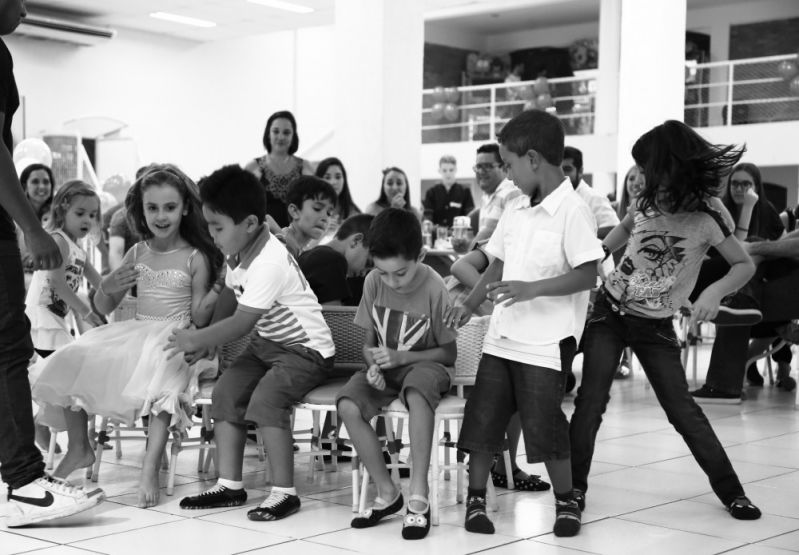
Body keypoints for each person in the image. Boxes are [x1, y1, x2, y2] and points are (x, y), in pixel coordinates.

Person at [569, 120, 761, 522]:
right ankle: (573, 490)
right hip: (610, 310)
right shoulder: (647, 196)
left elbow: (742, 265)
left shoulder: (710, 211)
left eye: (646, 166)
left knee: (682, 410)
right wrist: (601, 250)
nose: (639, 176)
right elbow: (626, 227)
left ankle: (732, 492)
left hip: (655, 325)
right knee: (590, 402)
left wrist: (712, 292)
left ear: (670, 165)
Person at [445, 109, 603, 538]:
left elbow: (588, 275)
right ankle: (477, 500)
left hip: (547, 342)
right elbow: (496, 264)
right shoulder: (515, 206)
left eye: (510, 164)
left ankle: (567, 502)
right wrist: (469, 302)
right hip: (502, 336)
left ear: (533, 159)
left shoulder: (573, 210)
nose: (507, 175)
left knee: (545, 424)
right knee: (484, 417)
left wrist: (532, 289)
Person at [31, 164, 224, 508]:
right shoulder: (138, 252)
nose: (160, 216)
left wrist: (218, 288)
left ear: (184, 209)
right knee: (75, 357)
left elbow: (198, 315)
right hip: (138, 331)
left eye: (169, 207)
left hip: (178, 335)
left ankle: (149, 466)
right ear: (141, 210)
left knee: (165, 371)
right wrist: (107, 286)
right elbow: (105, 303)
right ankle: (79, 446)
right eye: (152, 208)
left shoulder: (196, 256)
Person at [171, 164, 335, 521]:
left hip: (306, 351)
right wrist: (210, 342)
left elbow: (243, 321)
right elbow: (231, 293)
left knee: (266, 401)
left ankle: (284, 492)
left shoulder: (269, 261)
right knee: (224, 394)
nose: (211, 235)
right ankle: (230, 485)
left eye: (217, 227)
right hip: (267, 345)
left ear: (247, 224)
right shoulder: (241, 252)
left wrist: (198, 336)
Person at [1, 0, 105, 528]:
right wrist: (32, 228)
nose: (23, 7)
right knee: (21, 359)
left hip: (51, 320)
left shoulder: (77, 246)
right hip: (45, 318)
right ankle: (27, 478)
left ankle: (30, 470)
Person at [336, 208, 457, 540]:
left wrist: (404, 355)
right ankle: (388, 492)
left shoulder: (435, 287)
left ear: (420, 255)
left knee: (417, 393)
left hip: (427, 367)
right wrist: (372, 365)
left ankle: (419, 494)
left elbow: (449, 354)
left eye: (400, 273)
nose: (391, 281)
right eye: (383, 272)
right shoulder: (373, 282)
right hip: (387, 370)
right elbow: (367, 344)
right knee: (347, 403)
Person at [25, 180, 104, 452]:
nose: (87, 220)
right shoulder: (58, 239)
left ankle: (42, 422)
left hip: (57, 319)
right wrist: (86, 312)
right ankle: (41, 423)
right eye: (80, 213)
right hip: (43, 318)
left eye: (92, 215)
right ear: (63, 209)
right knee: (62, 374)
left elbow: (99, 281)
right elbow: (58, 284)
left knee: (60, 375)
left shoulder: (78, 247)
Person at [245, 110, 314, 228]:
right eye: (276, 131)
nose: (281, 137)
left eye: (286, 132)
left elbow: (314, 206)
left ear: (293, 136)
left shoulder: (305, 167)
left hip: (297, 239)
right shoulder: (253, 167)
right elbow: (242, 206)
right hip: (262, 237)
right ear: (268, 133)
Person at [298, 213, 373, 306]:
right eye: (368, 263)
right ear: (356, 241)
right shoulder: (331, 260)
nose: (364, 273)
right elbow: (334, 317)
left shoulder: (309, 256)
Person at [562, 146, 619, 238]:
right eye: (558, 170)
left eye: (567, 169)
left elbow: (613, 228)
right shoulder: (553, 197)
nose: (562, 175)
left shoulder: (593, 198)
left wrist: (577, 237)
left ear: (580, 172)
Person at [471, 143, 521, 245]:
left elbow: (484, 237)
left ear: (504, 167)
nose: (481, 171)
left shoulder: (510, 193)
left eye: (487, 166)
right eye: (478, 167)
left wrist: (466, 254)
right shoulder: (487, 197)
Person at [280, 176, 336, 259]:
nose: (325, 218)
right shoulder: (281, 246)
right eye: (317, 208)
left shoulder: (303, 251)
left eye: (329, 213)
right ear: (294, 211)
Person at [17, 162, 54, 285]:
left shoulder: (58, 215)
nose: (42, 186)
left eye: (46, 182)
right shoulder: (15, 216)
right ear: (24, 186)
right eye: (35, 182)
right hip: (22, 277)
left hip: (53, 277)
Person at [422, 154, 474, 227]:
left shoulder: (465, 191)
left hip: (458, 235)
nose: (448, 173)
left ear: (456, 170)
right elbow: (427, 217)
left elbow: (470, 216)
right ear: (439, 171)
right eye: (444, 170)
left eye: (451, 170)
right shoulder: (431, 192)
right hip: (436, 235)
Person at [315, 156, 361, 240]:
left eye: (338, 177)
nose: (333, 182)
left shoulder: (354, 214)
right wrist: (323, 233)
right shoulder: (309, 211)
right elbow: (300, 250)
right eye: (327, 177)